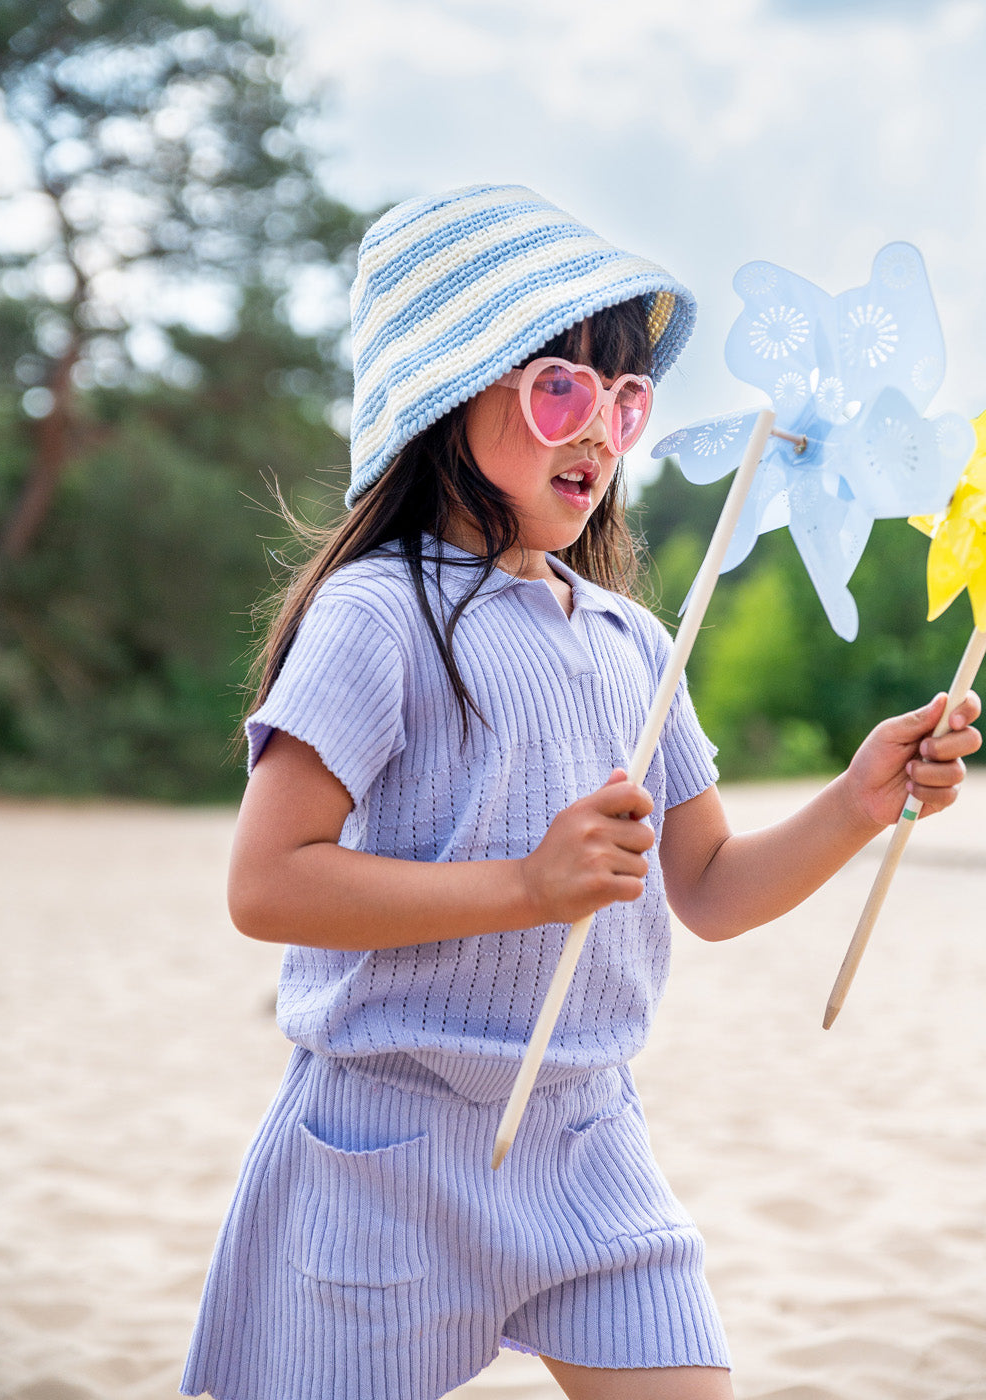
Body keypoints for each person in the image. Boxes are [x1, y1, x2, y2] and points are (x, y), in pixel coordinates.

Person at [180, 184, 981, 1400]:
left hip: (589, 1132)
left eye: (627, 397)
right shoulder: (375, 614)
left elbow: (706, 887)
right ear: (449, 389)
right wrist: (527, 884)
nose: (600, 429)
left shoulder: (632, 641)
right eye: (560, 386)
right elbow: (266, 882)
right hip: (389, 1139)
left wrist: (857, 801)